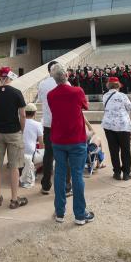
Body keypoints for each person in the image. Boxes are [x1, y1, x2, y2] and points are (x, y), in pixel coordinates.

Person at [47, 64, 94, 225]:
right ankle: (80, 215)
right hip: (76, 139)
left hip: (58, 139)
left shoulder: (51, 95)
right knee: (77, 175)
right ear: (66, 75)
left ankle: (59, 212)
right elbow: (85, 106)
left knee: (59, 174)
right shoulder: (77, 91)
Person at [0, 67, 27, 209]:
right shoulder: (16, 93)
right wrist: (21, 130)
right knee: (14, 166)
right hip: (13, 132)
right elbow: (22, 115)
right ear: (10, 77)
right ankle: (14, 198)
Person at [37, 61, 69, 195]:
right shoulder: (66, 83)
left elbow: (40, 99)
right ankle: (66, 185)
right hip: (62, 123)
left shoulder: (43, 84)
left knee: (48, 154)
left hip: (48, 123)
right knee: (65, 154)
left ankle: (46, 185)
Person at [101, 76, 131, 181]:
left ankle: (117, 172)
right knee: (125, 150)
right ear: (118, 85)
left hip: (108, 125)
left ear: (108, 85)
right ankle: (126, 173)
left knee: (113, 150)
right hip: (122, 126)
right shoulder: (122, 96)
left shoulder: (105, 96)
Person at [20, 103, 43, 188]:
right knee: (48, 156)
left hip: (19, 152)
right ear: (34, 113)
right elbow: (41, 143)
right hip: (30, 153)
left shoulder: (19, 122)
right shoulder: (38, 124)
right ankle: (33, 168)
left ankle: (28, 168)